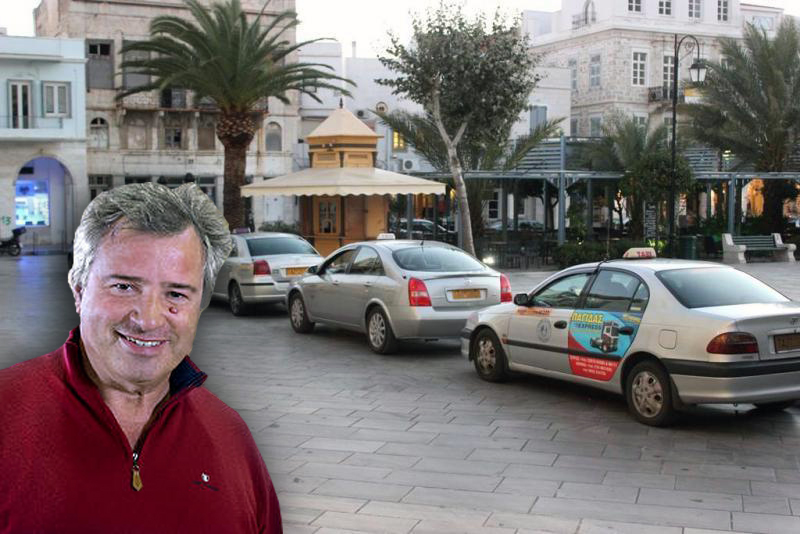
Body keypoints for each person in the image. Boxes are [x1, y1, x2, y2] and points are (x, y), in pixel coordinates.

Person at [0, 183, 282, 532]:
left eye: (176, 293)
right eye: (123, 286)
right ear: (79, 291)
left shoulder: (231, 437)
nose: (148, 320)